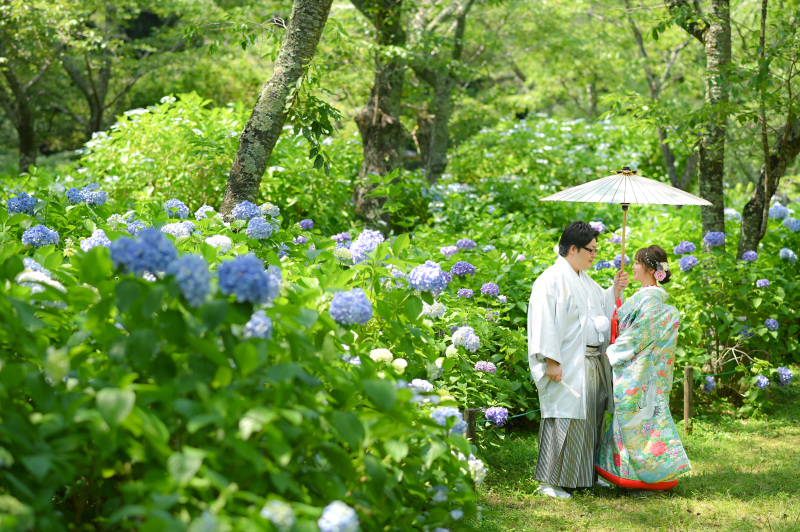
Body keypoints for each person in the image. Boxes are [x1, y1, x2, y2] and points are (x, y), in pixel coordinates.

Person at [528, 221, 629, 499]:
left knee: (591, 418)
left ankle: (585, 475)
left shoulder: (585, 279)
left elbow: (602, 308)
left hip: (591, 360)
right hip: (565, 361)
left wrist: (615, 290)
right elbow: (543, 321)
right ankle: (549, 481)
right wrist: (550, 359)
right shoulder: (550, 280)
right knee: (563, 418)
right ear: (573, 248)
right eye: (591, 250)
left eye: (596, 249)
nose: (594, 255)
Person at [595, 245, 691, 490]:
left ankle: (639, 478)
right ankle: (631, 474)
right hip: (645, 368)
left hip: (641, 369)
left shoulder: (651, 299)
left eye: (636, 263)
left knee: (639, 422)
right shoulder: (647, 295)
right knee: (642, 421)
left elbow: (640, 333)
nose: (632, 267)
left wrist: (615, 350)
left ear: (650, 269)